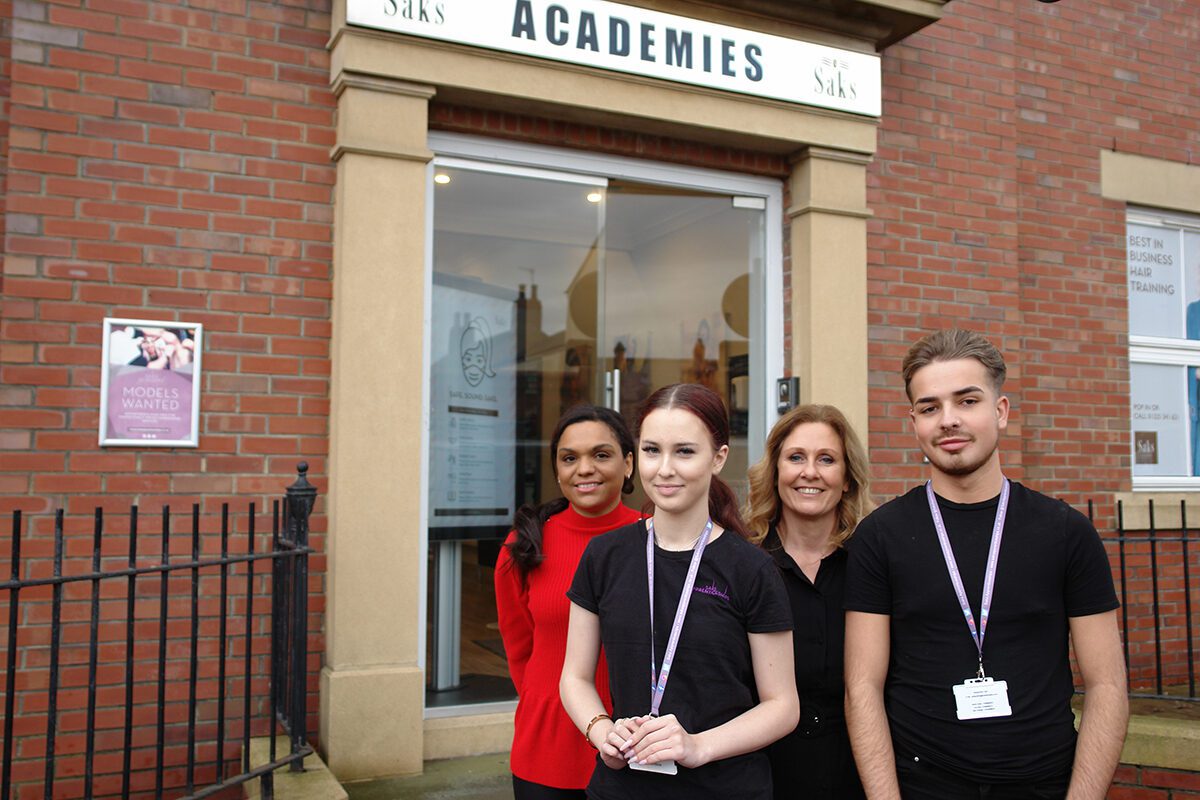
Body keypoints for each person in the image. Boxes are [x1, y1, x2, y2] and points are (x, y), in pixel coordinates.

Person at [844, 329, 1129, 799]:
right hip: (923, 783)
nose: (948, 421)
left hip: (1043, 782)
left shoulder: (1065, 532)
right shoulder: (880, 537)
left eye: (967, 401)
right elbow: (862, 689)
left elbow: (1107, 686)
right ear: (913, 420)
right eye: (930, 407)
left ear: (1000, 411)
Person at [560, 383, 799, 800]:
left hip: (725, 789)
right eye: (652, 450)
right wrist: (601, 731)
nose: (664, 469)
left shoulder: (752, 569)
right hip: (622, 787)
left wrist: (696, 745)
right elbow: (575, 677)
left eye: (684, 451)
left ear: (718, 458)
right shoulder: (605, 556)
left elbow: (782, 706)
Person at [494, 404, 643, 799]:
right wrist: (544, 702)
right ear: (557, 470)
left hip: (637, 742)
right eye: (569, 458)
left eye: (601, 454)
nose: (584, 469)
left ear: (628, 464)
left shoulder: (655, 538)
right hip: (546, 747)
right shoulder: (525, 545)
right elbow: (519, 648)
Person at [745, 404, 870, 800]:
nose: (809, 472)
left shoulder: (873, 565)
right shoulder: (741, 564)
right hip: (762, 776)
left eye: (827, 459)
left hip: (855, 775)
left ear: (847, 478)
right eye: (796, 457)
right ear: (776, 471)